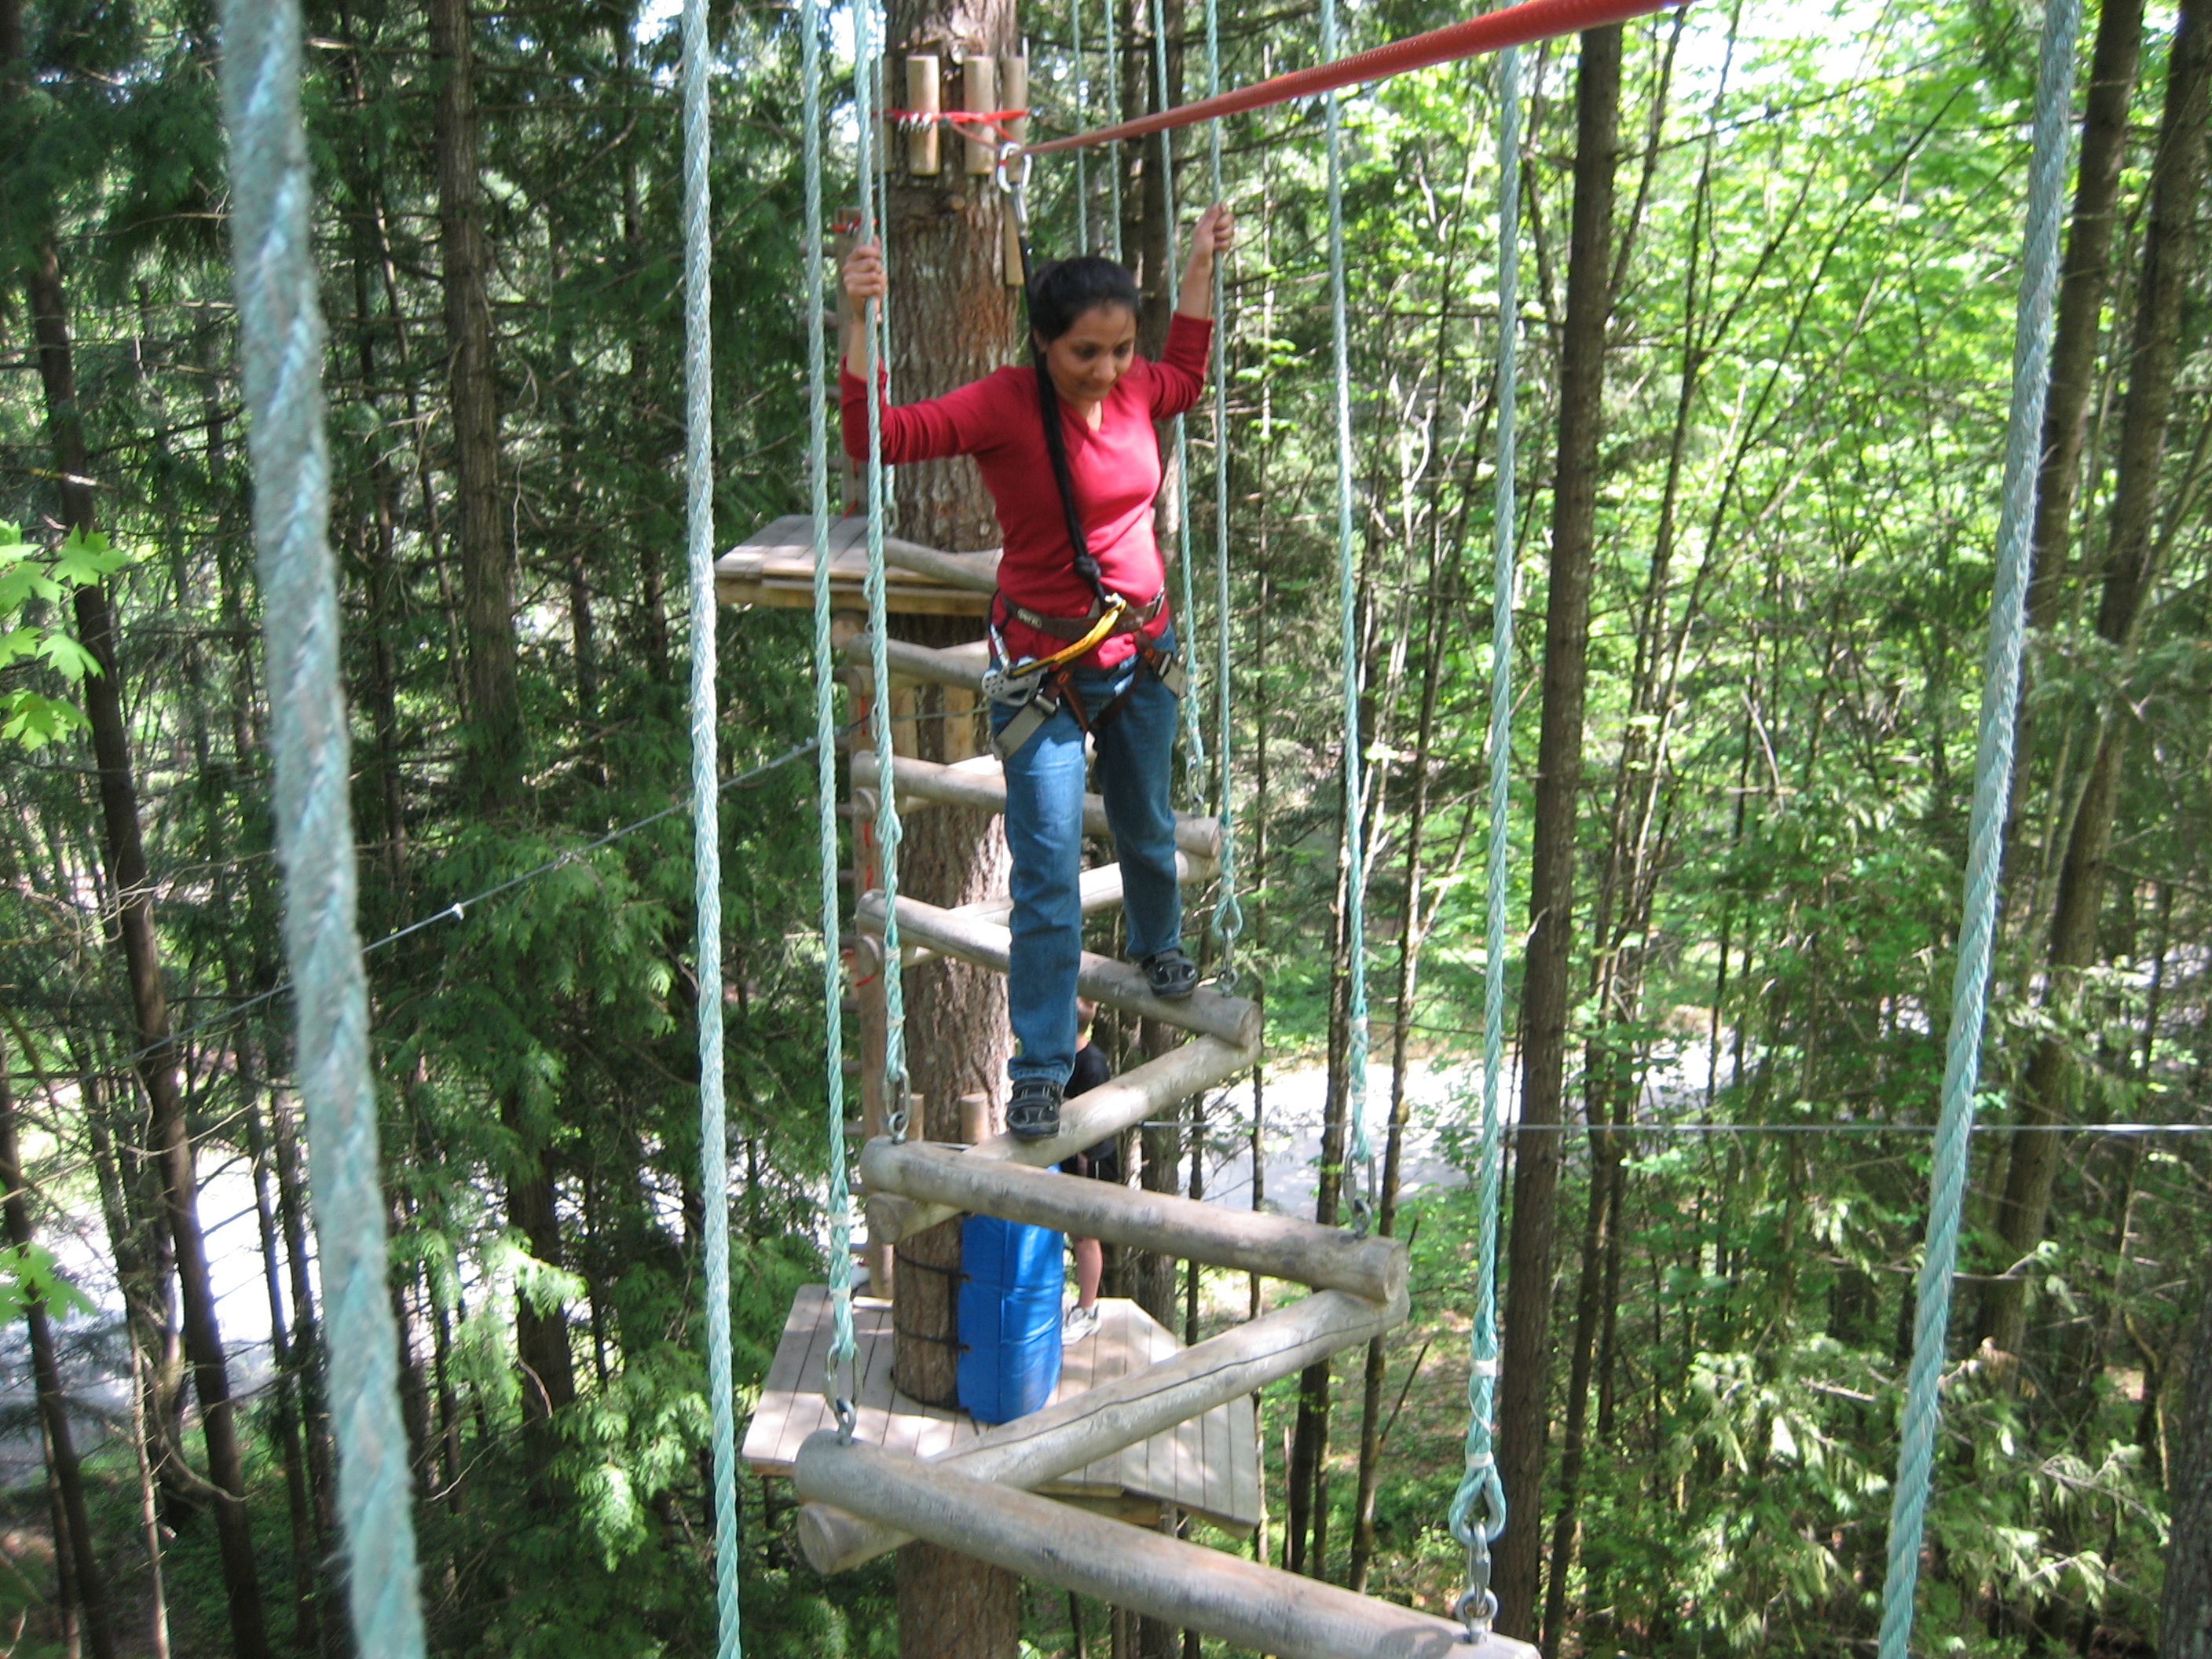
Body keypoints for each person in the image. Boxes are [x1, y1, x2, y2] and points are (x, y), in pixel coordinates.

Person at [840, 201, 1236, 1143]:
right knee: (1047, 873)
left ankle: (1157, 942)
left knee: (1145, 820)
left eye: (1119, 350)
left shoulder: (1136, 388)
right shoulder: (1002, 405)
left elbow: (1185, 374)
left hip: (1139, 651)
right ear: (1042, 345)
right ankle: (1041, 1068)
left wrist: (1197, 265)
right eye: (1084, 353)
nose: (1106, 371)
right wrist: (858, 321)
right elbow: (878, 437)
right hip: (1039, 670)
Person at [1059, 998, 1116, 1342]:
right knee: (1072, 1231)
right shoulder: (1061, 1058)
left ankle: (1088, 1310)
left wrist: (1082, 1162)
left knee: (1084, 1235)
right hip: (1068, 1153)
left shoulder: (1092, 1065)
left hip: (1089, 1159)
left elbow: (1094, 1123)